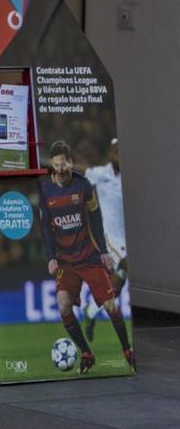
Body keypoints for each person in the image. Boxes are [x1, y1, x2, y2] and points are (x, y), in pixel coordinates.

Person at [38, 141, 135, 374]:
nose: (61, 168)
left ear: (70, 162)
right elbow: (44, 226)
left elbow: (94, 216)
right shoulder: (45, 190)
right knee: (63, 305)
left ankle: (127, 352)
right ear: (53, 164)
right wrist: (51, 256)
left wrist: (101, 251)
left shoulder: (82, 185)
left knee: (112, 304)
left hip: (89, 256)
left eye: (65, 163)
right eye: (57, 164)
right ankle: (87, 353)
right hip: (66, 261)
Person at [81, 138, 127, 341]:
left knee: (116, 289)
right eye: (116, 151)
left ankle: (90, 313)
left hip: (127, 237)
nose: (118, 155)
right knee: (127, 264)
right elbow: (79, 171)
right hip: (110, 238)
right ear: (110, 154)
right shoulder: (102, 174)